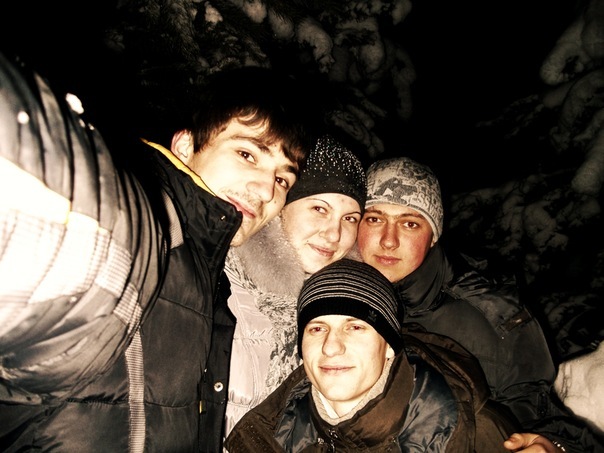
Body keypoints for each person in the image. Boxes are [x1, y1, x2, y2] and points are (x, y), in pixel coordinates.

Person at [0, 51, 313, 452]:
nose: (266, 190)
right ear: (184, 146)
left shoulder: (211, 275)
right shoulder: (149, 223)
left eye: (283, 179)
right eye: (247, 155)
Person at [355, 156, 604, 453]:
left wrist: (554, 445)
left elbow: (534, 415)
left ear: (433, 236)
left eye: (409, 224)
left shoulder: (488, 317)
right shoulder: (331, 296)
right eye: (375, 218)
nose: (388, 240)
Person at [225, 258, 518, 452]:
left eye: (355, 327)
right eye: (317, 328)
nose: (331, 347)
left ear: (389, 345)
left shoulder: (474, 430)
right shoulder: (270, 432)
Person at [221, 134, 367, 439]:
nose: (334, 234)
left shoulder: (354, 310)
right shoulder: (222, 284)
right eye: (319, 209)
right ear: (283, 205)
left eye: (350, 218)